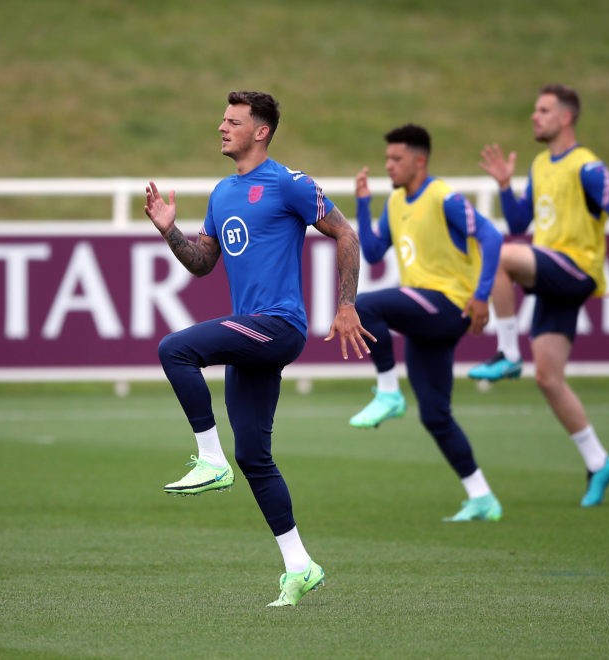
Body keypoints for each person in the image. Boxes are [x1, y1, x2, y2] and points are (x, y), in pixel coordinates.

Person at [144, 91, 374, 607]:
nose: (222, 127)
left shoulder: (289, 183)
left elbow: (345, 235)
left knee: (175, 349)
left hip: (278, 325)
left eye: (233, 121)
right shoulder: (223, 192)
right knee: (255, 455)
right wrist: (169, 231)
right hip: (253, 334)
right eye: (222, 119)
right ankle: (300, 565)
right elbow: (204, 263)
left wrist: (345, 305)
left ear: (261, 131)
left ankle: (209, 459)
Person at [467, 84, 609, 507]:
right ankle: (599, 461)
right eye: (534, 109)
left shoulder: (587, 167)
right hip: (553, 275)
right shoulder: (542, 163)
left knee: (503, 256)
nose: (534, 116)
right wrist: (507, 186)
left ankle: (508, 352)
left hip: (576, 268)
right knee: (548, 378)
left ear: (566, 118)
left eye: (543, 110)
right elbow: (518, 218)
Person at [349, 124, 505, 522]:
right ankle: (482, 497)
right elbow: (372, 250)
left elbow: (492, 237)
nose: (388, 166)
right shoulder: (396, 201)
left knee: (363, 305)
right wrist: (364, 204)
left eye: (396, 159)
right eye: (386, 159)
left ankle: (388, 393)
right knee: (435, 414)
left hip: (450, 305)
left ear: (420, 160)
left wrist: (482, 294)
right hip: (426, 313)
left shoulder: (443, 197)